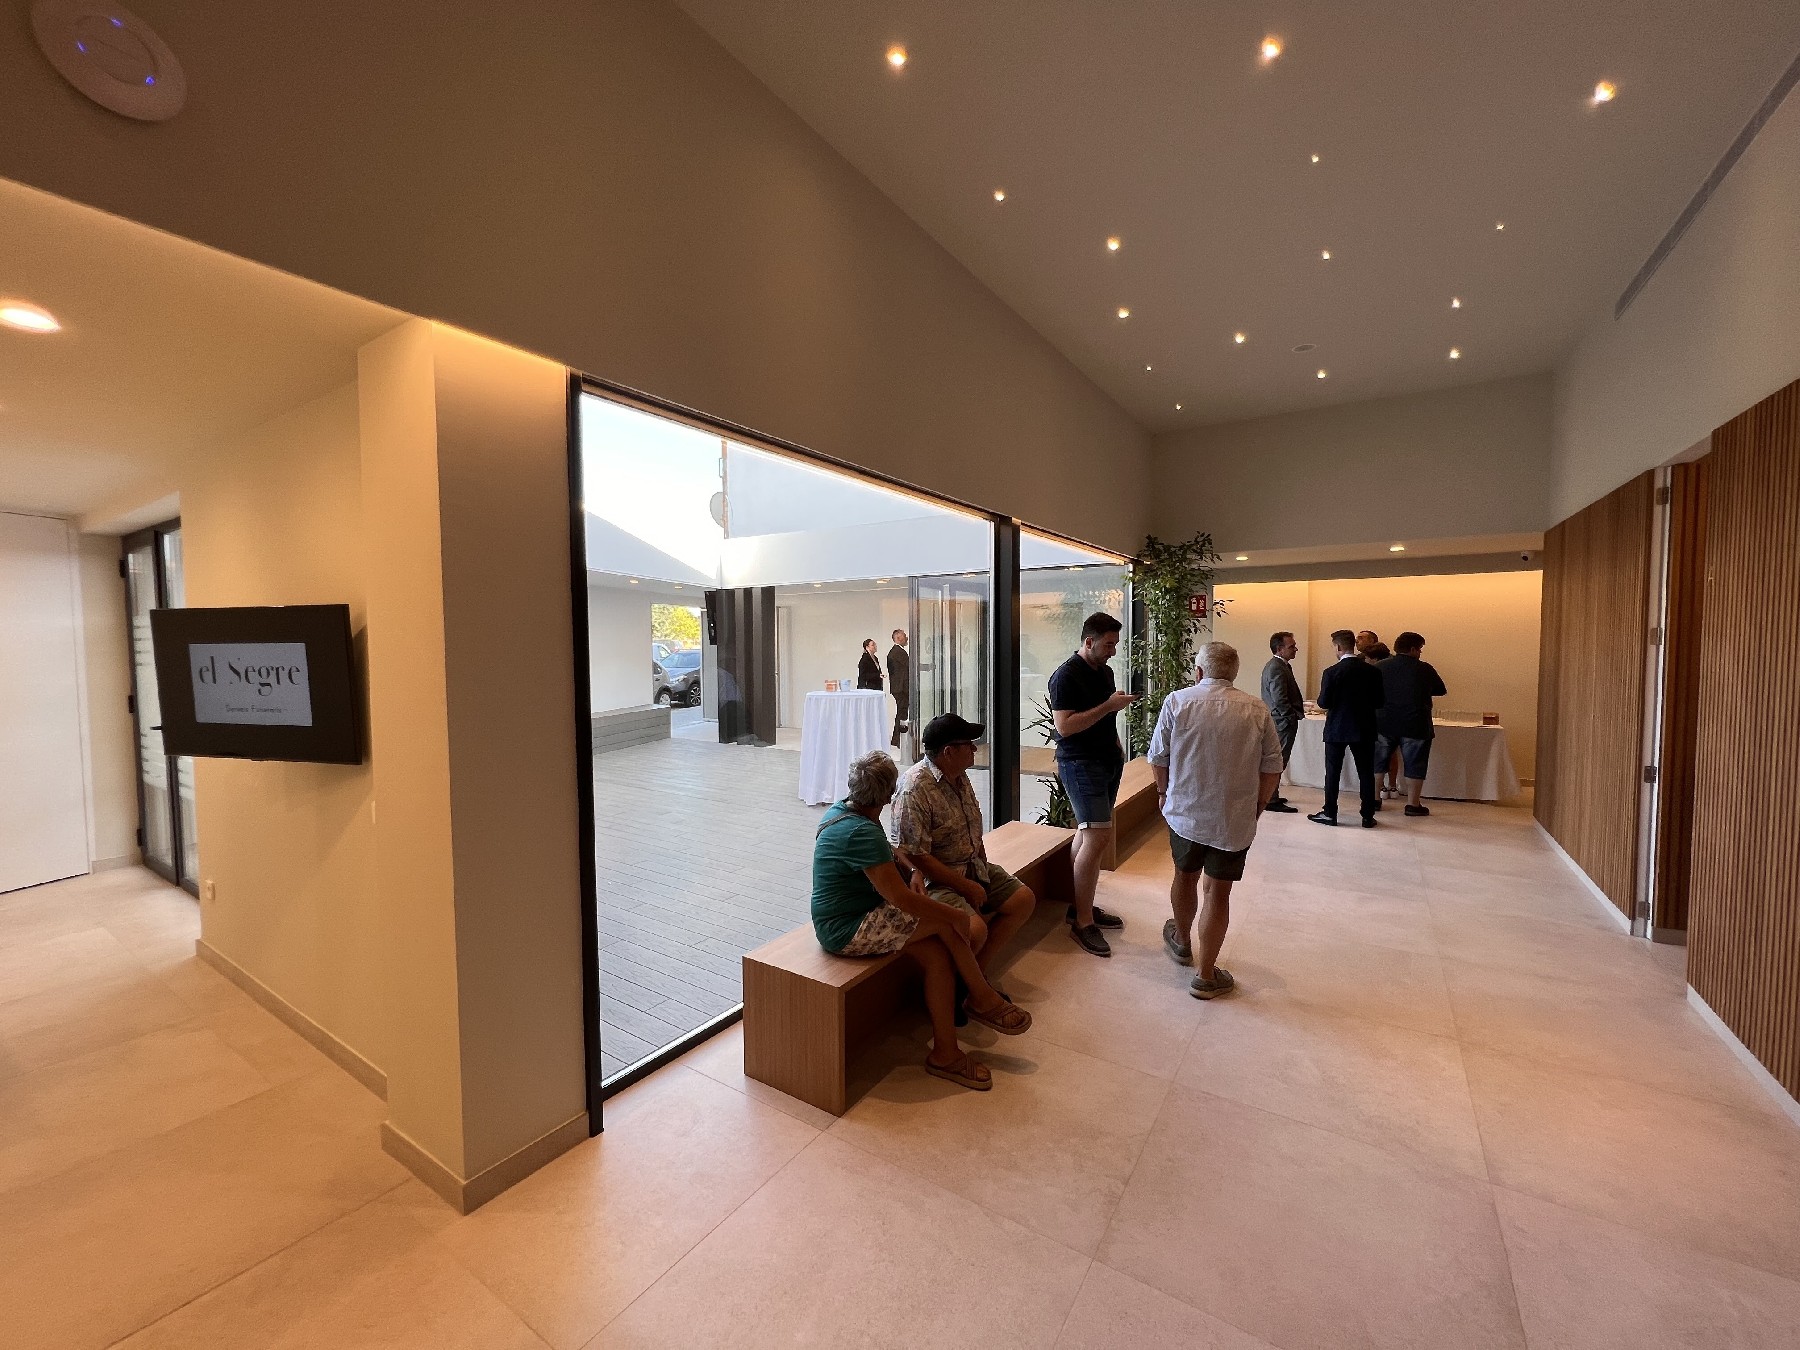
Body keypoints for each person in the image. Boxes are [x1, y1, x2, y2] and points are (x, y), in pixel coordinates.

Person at [811, 751, 1031, 1091]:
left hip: (858, 914)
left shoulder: (847, 811)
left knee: (937, 957)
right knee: (946, 923)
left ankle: (946, 1053)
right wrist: (954, 914)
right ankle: (981, 997)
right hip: (846, 928)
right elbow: (902, 899)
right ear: (888, 794)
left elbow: (890, 853)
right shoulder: (860, 832)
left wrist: (913, 870)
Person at [1150, 642, 1284, 999]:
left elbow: (1159, 756)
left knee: (1184, 875)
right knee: (1218, 892)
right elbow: (1273, 764)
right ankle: (1206, 976)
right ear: (1234, 674)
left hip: (1186, 813)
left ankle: (1182, 941)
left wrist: (1162, 792)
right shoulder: (1256, 709)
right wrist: (1259, 804)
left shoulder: (1177, 702)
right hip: (1233, 818)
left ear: (1198, 671)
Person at [892, 714, 1035, 996]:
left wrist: (980, 869)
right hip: (935, 880)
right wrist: (966, 886)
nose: (974, 749)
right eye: (968, 744)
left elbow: (973, 825)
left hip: (970, 866)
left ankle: (974, 979)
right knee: (975, 930)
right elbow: (915, 856)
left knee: (1023, 900)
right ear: (948, 752)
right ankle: (968, 989)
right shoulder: (914, 788)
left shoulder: (958, 775)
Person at [1049, 612, 1135, 957]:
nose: (1113, 650)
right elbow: (1065, 726)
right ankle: (1083, 922)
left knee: (1087, 834)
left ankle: (1078, 906)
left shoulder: (1105, 672)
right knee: (1098, 836)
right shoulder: (1065, 676)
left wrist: (1116, 743)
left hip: (1106, 761)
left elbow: (1104, 716)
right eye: (1109, 644)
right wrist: (1109, 705)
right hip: (1080, 763)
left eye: (1115, 644)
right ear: (1089, 641)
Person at [1309, 629, 1385, 828]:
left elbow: (1324, 702)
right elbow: (1380, 701)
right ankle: (1367, 815)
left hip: (1337, 728)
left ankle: (1330, 813)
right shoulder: (1373, 671)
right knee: (1366, 773)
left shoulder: (1331, 672)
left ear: (1339, 647)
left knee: (1332, 772)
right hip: (1364, 728)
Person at [1376, 631, 1448, 817]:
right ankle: (1413, 804)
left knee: (1377, 762)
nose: (1420, 653)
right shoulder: (1424, 669)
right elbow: (1441, 690)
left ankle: (1374, 799)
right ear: (1413, 649)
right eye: (1420, 649)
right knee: (1415, 763)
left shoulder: (1380, 666)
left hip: (1384, 722)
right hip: (1415, 723)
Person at [1258, 631, 1303, 813]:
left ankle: (1272, 795)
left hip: (1280, 720)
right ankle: (1270, 798)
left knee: (1278, 759)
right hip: (1282, 722)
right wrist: (1289, 716)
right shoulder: (1276, 667)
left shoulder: (1279, 665)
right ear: (1279, 648)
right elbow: (1279, 698)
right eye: (1292, 646)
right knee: (1278, 760)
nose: (1295, 649)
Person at [886, 628, 910, 747]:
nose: (907, 638)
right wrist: (928, 667)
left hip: (899, 688)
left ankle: (897, 739)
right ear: (899, 638)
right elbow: (910, 664)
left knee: (901, 712)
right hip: (901, 688)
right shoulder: (897, 652)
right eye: (904, 636)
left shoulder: (895, 652)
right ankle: (899, 739)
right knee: (902, 714)